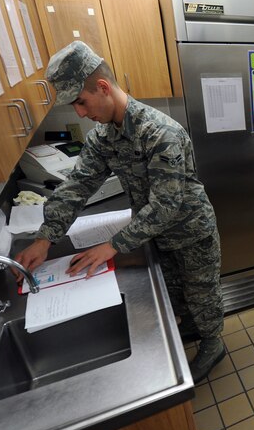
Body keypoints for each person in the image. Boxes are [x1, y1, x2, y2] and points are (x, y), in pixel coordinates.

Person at [15, 41, 226, 381]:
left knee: (201, 292)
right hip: (151, 232)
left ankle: (213, 342)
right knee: (175, 290)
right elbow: (78, 185)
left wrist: (112, 245)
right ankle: (194, 328)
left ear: (102, 87)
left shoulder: (160, 133)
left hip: (189, 231)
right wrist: (45, 238)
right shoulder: (104, 137)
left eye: (81, 102)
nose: (80, 113)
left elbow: (166, 204)